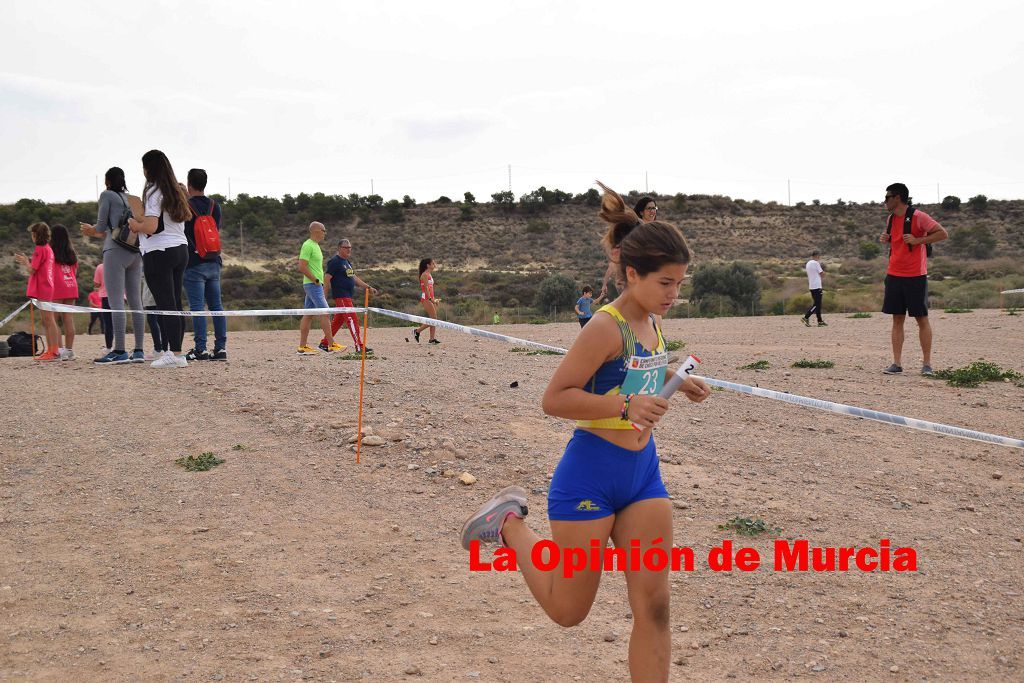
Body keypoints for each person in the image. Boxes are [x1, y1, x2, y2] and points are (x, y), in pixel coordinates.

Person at [461, 188, 710, 682]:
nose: (672, 294)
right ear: (633, 273)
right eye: (665, 282)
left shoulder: (653, 324)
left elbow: (635, 385)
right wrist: (625, 404)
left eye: (679, 284)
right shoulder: (604, 326)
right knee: (568, 611)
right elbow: (556, 398)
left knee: (655, 607)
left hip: (642, 476)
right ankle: (509, 525)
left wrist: (675, 385)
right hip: (590, 476)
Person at [129, 150, 191, 369]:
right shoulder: (175, 190)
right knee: (175, 302)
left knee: (165, 305)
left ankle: (173, 353)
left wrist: (136, 225)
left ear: (149, 169)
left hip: (159, 251)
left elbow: (152, 226)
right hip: (180, 248)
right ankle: (177, 353)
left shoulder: (153, 191)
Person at [879, 183, 948, 376]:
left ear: (898, 198)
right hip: (894, 274)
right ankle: (896, 363)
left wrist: (918, 241)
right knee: (897, 318)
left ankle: (927, 364)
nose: (885, 201)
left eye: (887, 197)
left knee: (921, 319)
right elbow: (897, 241)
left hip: (915, 276)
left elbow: (943, 233)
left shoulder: (919, 216)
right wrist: (887, 238)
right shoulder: (891, 218)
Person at [79, 167, 146, 364]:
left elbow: (101, 227)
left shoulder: (106, 195)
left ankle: (119, 350)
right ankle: (139, 351)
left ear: (107, 181)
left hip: (115, 250)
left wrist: (90, 230)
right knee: (136, 302)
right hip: (135, 251)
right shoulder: (130, 198)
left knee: (116, 301)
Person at [182, 168, 227, 361]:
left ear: (189, 183)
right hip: (213, 260)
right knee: (217, 306)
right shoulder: (214, 206)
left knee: (198, 307)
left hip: (193, 262)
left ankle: (200, 348)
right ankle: (220, 348)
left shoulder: (185, 207)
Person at [319, 239, 377, 354]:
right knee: (352, 319)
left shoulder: (347, 262)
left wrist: (368, 287)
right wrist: (324, 296)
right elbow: (326, 278)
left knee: (338, 321)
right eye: (346, 247)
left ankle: (324, 343)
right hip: (341, 296)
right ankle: (359, 346)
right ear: (339, 248)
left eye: (350, 247)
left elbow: (354, 278)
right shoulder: (335, 261)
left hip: (348, 296)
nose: (349, 249)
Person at [14, 222, 60, 360]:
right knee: (47, 320)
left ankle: (53, 351)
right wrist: (28, 260)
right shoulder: (48, 248)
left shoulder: (40, 249)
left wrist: (25, 262)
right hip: (48, 286)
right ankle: (52, 350)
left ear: (35, 235)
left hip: (43, 288)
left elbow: (32, 270)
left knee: (48, 320)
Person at [599, 194, 657, 300]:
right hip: (632, 283)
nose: (653, 211)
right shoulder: (634, 230)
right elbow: (614, 262)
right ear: (641, 212)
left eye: (654, 208)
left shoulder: (656, 231)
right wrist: (605, 283)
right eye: (649, 208)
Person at [297, 222, 342, 355]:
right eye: (324, 230)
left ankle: (302, 347)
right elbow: (301, 266)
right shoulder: (308, 245)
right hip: (313, 285)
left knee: (308, 315)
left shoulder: (315, 246)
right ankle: (331, 344)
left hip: (314, 285)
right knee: (325, 312)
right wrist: (315, 280)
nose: (325, 233)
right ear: (316, 231)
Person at [48, 224, 79, 359]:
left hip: (57, 287)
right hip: (71, 286)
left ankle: (59, 350)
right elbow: (75, 271)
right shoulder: (71, 253)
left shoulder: (50, 252)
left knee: (54, 320)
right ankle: (69, 350)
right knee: (68, 319)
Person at [412, 258, 441, 344]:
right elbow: (426, 289)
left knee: (433, 318)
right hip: (426, 299)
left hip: (430, 299)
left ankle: (432, 339)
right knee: (434, 319)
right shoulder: (424, 275)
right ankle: (417, 331)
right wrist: (431, 300)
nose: (434, 265)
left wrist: (434, 299)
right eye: (433, 263)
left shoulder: (429, 274)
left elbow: (431, 289)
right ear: (428, 265)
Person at [801, 250, 826, 327]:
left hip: (811, 286)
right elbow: (822, 273)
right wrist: (824, 274)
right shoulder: (816, 263)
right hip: (817, 286)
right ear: (817, 256)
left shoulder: (808, 263)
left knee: (817, 304)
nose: (819, 257)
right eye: (819, 256)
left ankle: (820, 321)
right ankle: (806, 317)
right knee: (817, 305)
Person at [92, 264, 113, 351]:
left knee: (108, 324)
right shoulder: (122, 264)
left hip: (106, 296)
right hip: (120, 296)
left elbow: (96, 284)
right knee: (118, 322)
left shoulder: (100, 267)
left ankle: (109, 348)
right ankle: (120, 348)